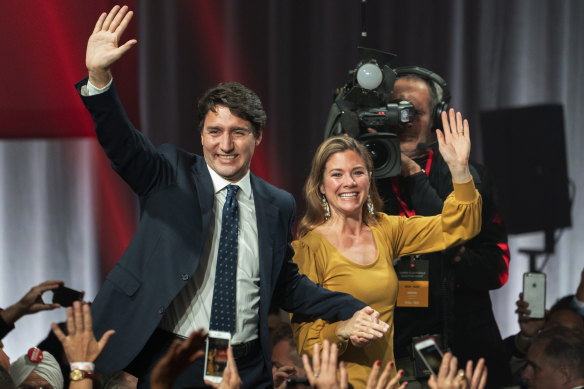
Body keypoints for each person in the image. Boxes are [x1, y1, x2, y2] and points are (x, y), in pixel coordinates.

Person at [78, 5, 384, 388]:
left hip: (247, 364)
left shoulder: (278, 204)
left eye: (238, 132)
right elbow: (123, 145)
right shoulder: (169, 173)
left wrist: (351, 308)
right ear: (201, 135)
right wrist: (99, 77)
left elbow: (286, 283)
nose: (225, 144)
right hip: (174, 358)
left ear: (257, 136)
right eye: (214, 131)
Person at [292, 107, 482, 388]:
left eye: (358, 172)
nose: (349, 182)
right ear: (320, 185)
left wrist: (460, 169)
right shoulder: (308, 248)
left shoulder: (386, 229)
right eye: (337, 174)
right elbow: (305, 342)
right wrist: (342, 329)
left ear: (370, 180)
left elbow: (460, 226)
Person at [374, 66, 511, 388]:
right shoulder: (364, 179)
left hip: (463, 348)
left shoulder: (469, 178)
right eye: (396, 110)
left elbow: (497, 270)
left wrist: (454, 253)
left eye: (415, 112)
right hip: (391, 350)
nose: (404, 120)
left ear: (436, 117)